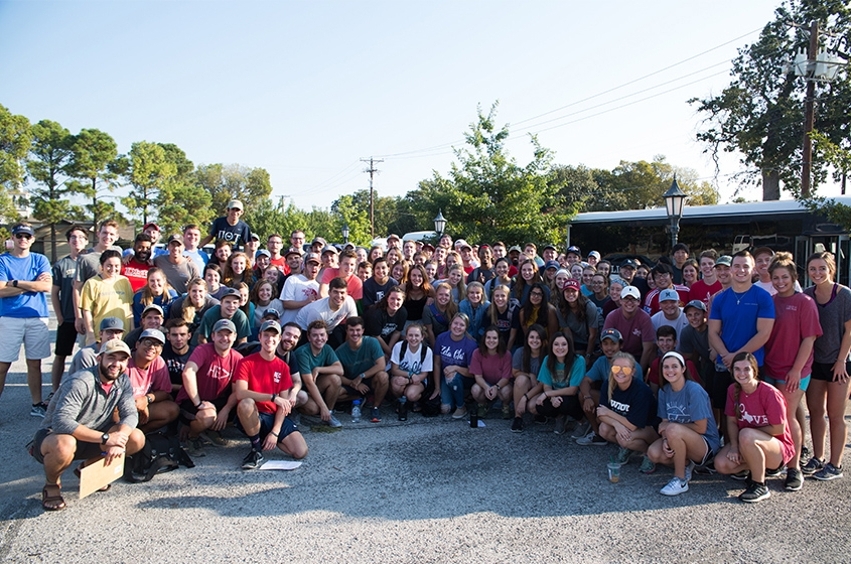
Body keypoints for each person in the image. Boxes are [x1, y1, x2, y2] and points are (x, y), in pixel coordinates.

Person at [31, 339, 145, 511]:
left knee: (135, 438)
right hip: (55, 435)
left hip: (92, 435)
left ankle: (87, 469)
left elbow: (130, 414)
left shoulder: (122, 381)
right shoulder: (81, 381)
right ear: (99, 359)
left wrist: (119, 440)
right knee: (65, 445)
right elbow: (62, 421)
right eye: (111, 357)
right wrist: (107, 438)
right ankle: (52, 484)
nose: (116, 364)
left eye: (122, 359)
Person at [763, 252, 821, 491]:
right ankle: (778, 459)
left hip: (795, 370)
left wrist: (796, 370)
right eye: (775, 277)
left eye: (784, 277)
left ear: (794, 277)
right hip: (771, 366)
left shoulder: (805, 303)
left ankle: (794, 468)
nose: (780, 281)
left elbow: (809, 339)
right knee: (773, 418)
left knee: (787, 417)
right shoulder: (771, 301)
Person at [707, 251, 775, 433]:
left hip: (753, 364)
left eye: (746, 266)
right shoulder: (720, 298)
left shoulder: (762, 297)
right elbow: (713, 332)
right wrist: (726, 356)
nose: (741, 270)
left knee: (753, 412)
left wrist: (736, 357)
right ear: (731, 270)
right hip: (724, 364)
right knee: (726, 412)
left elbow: (764, 333)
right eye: (737, 266)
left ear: (753, 270)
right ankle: (728, 450)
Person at [713, 352, 795, 503]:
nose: (741, 373)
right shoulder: (733, 390)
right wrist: (734, 447)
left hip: (777, 449)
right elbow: (731, 421)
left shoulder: (770, 393)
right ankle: (754, 466)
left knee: (746, 434)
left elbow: (779, 429)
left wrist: (748, 433)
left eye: (746, 369)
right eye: (737, 369)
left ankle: (760, 484)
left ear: (755, 371)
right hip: (748, 441)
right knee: (721, 464)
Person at [801, 251, 851, 481]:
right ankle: (818, 457)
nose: (817, 273)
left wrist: (841, 361)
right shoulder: (807, 295)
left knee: (836, 414)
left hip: (838, 363)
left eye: (822, 268)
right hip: (815, 362)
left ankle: (836, 464)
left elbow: (850, 331)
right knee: (816, 412)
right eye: (813, 269)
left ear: (830, 268)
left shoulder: (844, 295)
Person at [235, 319, 308, 470]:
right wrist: (272, 397)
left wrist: (275, 432)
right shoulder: (246, 362)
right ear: (259, 337)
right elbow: (240, 393)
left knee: (300, 452)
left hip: (273, 415)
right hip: (253, 412)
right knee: (246, 403)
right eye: (266, 335)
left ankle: (264, 436)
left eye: (274, 336)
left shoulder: (282, 367)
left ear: (279, 339)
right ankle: (256, 449)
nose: (270, 339)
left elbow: (284, 403)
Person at [646, 351, 720, 496]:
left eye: (674, 366)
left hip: (705, 442)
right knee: (653, 453)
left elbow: (701, 427)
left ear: (683, 369)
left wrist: (669, 430)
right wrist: (666, 439)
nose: (670, 370)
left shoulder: (694, 390)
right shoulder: (664, 391)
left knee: (673, 429)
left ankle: (680, 480)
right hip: (677, 435)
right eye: (666, 367)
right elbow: (664, 423)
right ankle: (686, 463)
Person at [0, 224, 54, 414]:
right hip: (9, 317)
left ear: (32, 239)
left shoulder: (40, 259)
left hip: (36, 316)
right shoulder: (3, 261)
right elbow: (0, 290)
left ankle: (36, 404)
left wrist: (15, 283)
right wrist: (32, 285)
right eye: (19, 235)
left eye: (27, 236)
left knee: (34, 363)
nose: (23, 239)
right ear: (13, 238)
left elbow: (46, 287)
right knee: (2, 364)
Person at [177, 318, 242, 457]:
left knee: (245, 403)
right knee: (208, 416)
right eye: (220, 334)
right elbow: (188, 373)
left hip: (217, 400)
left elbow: (238, 390)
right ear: (213, 336)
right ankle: (193, 436)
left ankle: (209, 430)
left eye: (228, 334)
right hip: (192, 400)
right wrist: (199, 404)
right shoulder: (202, 350)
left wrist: (226, 410)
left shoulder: (237, 358)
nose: (224, 338)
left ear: (235, 336)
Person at [576, 328, 645, 446]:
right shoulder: (601, 361)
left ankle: (629, 439)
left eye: (613, 343)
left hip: (627, 406)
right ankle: (597, 434)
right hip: (611, 401)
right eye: (605, 344)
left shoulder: (632, 365)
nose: (609, 348)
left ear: (621, 345)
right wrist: (587, 397)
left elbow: (640, 395)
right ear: (601, 346)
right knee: (583, 394)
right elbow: (585, 381)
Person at [596, 352, 659, 473]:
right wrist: (616, 424)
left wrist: (609, 413)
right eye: (616, 368)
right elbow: (600, 413)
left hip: (649, 429)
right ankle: (629, 448)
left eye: (625, 369)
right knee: (604, 429)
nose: (620, 372)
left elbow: (632, 425)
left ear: (633, 371)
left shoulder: (641, 390)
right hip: (626, 424)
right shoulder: (608, 384)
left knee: (624, 438)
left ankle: (648, 454)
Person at [50, 225, 88, 391]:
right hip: (67, 317)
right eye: (73, 237)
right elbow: (54, 293)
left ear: (86, 241)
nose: (76, 240)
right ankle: (54, 390)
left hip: (87, 318)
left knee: (85, 355)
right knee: (61, 355)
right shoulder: (62, 265)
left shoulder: (90, 261)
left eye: (80, 237)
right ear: (68, 241)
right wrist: (59, 317)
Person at [335, 317, 390, 423]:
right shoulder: (339, 351)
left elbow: (381, 365)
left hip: (370, 378)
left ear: (363, 330)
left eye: (358, 330)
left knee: (383, 376)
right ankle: (359, 398)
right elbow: (337, 375)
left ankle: (375, 408)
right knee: (334, 394)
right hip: (352, 382)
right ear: (346, 331)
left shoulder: (372, 342)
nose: (355, 333)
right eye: (351, 330)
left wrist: (361, 376)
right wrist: (353, 383)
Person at [532, 331, 586, 435]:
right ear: (551, 346)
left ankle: (582, 422)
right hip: (555, 393)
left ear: (569, 346)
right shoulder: (548, 360)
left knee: (566, 404)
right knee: (540, 405)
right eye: (556, 344)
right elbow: (547, 385)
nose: (560, 347)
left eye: (564, 344)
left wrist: (547, 394)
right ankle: (559, 418)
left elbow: (573, 390)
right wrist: (552, 397)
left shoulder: (579, 360)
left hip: (573, 396)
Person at [127, 329, 179, 433]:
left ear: (161, 350)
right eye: (147, 342)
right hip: (122, 408)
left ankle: (142, 434)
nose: (151, 347)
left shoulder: (158, 361)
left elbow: (165, 392)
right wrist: (138, 405)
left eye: (157, 344)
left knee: (172, 409)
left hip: (142, 404)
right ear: (137, 344)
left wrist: (146, 399)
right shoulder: (125, 362)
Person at [73, 220, 120, 335]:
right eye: (104, 233)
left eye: (112, 234)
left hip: (114, 314)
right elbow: (76, 288)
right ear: (98, 234)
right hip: (91, 315)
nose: (107, 237)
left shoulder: (118, 252)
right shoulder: (85, 257)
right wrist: (78, 316)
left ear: (117, 237)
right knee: (91, 348)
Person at [80, 249, 134, 347]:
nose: (113, 269)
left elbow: (129, 308)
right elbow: (87, 311)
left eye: (117, 266)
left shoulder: (124, 281)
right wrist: (91, 335)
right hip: (101, 336)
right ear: (102, 266)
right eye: (109, 265)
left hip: (122, 335)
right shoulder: (91, 283)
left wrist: (132, 331)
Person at [295, 320, 344, 428]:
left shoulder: (327, 348)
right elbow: (309, 383)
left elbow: (340, 370)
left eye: (322, 335)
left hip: (315, 385)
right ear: (309, 337)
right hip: (300, 390)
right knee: (314, 409)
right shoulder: (303, 353)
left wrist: (318, 369)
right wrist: (322, 407)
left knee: (335, 379)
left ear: (327, 336)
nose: (319, 338)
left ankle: (329, 413)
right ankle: (296, 412)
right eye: (315, 335)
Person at [434, 312, 478, 419]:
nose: (457, 327)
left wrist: (456, 368)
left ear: (466, 327)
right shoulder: (441, 338)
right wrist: (437, 387)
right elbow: (437, 363)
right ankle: (456, 397)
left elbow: (473, 373)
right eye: (455, 323)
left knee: (452, 376)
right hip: (446, 377)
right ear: (451, 324)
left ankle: (461, 406)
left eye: (462, 325)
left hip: (464, 378)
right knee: (445, 409)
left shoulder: (471, 344)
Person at [603, 286, 655, 374]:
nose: (629, 302)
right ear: (620, 301)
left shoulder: (645, 318)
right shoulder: (612, 316)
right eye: (626, 299)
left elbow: (648, 348)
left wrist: (639, 371)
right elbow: (607, 343)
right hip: (616, 355)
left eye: (633, 299)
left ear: (639, 302)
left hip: (637, 356)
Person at [295, 277, 358, 348]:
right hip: (304, 329)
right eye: (335, 292)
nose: (339, 296)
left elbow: (353, 326)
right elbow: (313, 335)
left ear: (346, 293)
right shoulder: (317, 311)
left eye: (342, 292)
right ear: (329, 293)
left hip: (329, 329)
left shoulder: (349, 302)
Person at [389, 323, 434, 420]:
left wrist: (409, 381)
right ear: (406, 336)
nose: (413, 338)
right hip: (402, 376)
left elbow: (424, 374)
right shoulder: (399, 346)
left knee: (411, 395)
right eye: (410, 335)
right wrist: (409, 375)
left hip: (418, 380)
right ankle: (400, 401)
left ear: (422, 337)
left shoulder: (427, 351)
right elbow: (394, 369)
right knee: (396, 384)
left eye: (417, 335)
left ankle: (413, 401)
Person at [470, 326, 513, 420]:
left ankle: (505, 406)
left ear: (499, 340)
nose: (491, 340)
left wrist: (496, 387)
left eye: (494, 338)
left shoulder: (506, 354)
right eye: (488, 337)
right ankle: (482, 405)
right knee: (475, 390)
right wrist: (487, 387)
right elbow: (478, 376)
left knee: (507, 392)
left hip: (501, 384)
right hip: (485, 383)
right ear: (484, 339)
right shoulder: (477, 353)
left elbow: (506, 377)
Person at [509, 324, 547, 432]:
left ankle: (539, 414)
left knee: (532, 407)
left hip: (541, 388)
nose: (534, 340)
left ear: (543, 340)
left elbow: (543, 383)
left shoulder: (547, 356)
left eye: (538, 337)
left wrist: (525, 398)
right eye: (532, 337)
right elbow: (515, 372)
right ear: (527, 339)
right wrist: (530, 375)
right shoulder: (520, 352)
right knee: (521, 379)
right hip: (526, 385)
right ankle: (518, 417)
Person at [557, 279, 599, 361]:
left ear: (579, 292)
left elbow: (593, 335)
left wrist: (588, 355)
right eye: (567, 291)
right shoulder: (560, 308)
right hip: (576, 341)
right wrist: (571, 353)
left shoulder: (589, 307)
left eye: (573, 291)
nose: (570, 294)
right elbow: (567, 331)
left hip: (591, 340)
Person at [364, 286, 407, 357]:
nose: (395, 302)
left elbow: (397, 332)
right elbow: (376, 336)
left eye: (398, 299)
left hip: (387, 339)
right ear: (387, 299)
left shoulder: (403, 312)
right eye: (392, 298)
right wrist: (389, 353)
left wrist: (388, 351)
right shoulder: (376, 313)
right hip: (370, 340)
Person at [280, 251, 321, 325]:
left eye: (316, 265)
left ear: (320, 267)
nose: (313, 267)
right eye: (310, 264)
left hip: (305, 328)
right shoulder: (293, 279)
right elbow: (286, 303)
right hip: (288, 325)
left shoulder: (318, 287)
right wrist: (306, 302)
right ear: (304, 265)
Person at [161, 318, 195, 399]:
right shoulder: (161, 352)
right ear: (168, 336)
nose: (179, 339)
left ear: (189, 336)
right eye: (174, 335)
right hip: (165, 395)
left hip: (190, 395)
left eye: (182, 334)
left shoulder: (196, 354)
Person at [486, 284, 520, 353]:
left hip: (511, 344)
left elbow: (512, 336)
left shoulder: (514, 310)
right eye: (497, 296)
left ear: (508, 298)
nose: (500, 298)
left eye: (503, 296)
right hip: (494, 342)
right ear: (493, 298)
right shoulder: (489, 310)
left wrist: (506, 352)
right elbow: (487, 332)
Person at [423, 282, 457, 349]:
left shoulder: (454, 307)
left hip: (447, 337)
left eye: (447, 295)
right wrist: (435, 348)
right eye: (441, 294)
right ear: (436, 295)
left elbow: (451, 328)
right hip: (432, 338)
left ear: (450, 296)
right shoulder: (428, 308)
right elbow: (430, 331)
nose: (443, 297)